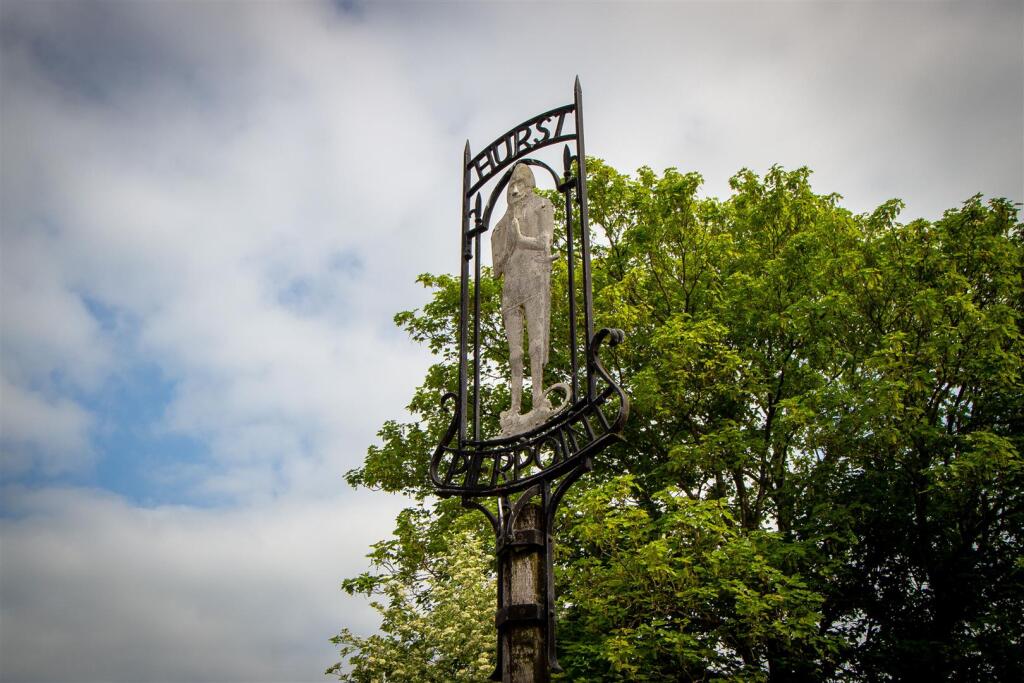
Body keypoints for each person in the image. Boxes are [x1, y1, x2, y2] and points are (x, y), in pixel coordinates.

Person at [491, 163, 555, 434]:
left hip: (534, 280)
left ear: (529, 183)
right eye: (511, 185)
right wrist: (508, 239)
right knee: (514, 352)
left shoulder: (542, 206)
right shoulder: (503, 222)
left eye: (520, 182)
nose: (515, 189)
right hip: (512, 287)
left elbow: (545, 241)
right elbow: (497, 266)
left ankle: (538, 397)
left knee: (536, 344)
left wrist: (521, 238)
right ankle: (515, 406)